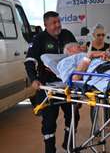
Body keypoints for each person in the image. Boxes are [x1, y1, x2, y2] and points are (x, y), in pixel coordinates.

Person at [24, 11, 80, 153]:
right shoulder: (39, 39)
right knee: (49, 121)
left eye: (59, 21)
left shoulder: (67, 35)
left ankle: (69, 144)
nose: (58, 25)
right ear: (46, 25)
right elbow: (30, 60)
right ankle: (50, 150)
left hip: (67, 84)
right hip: (47, 86)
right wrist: (33, 79)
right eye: (54, 23)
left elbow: (78, 56)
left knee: (74, 115)